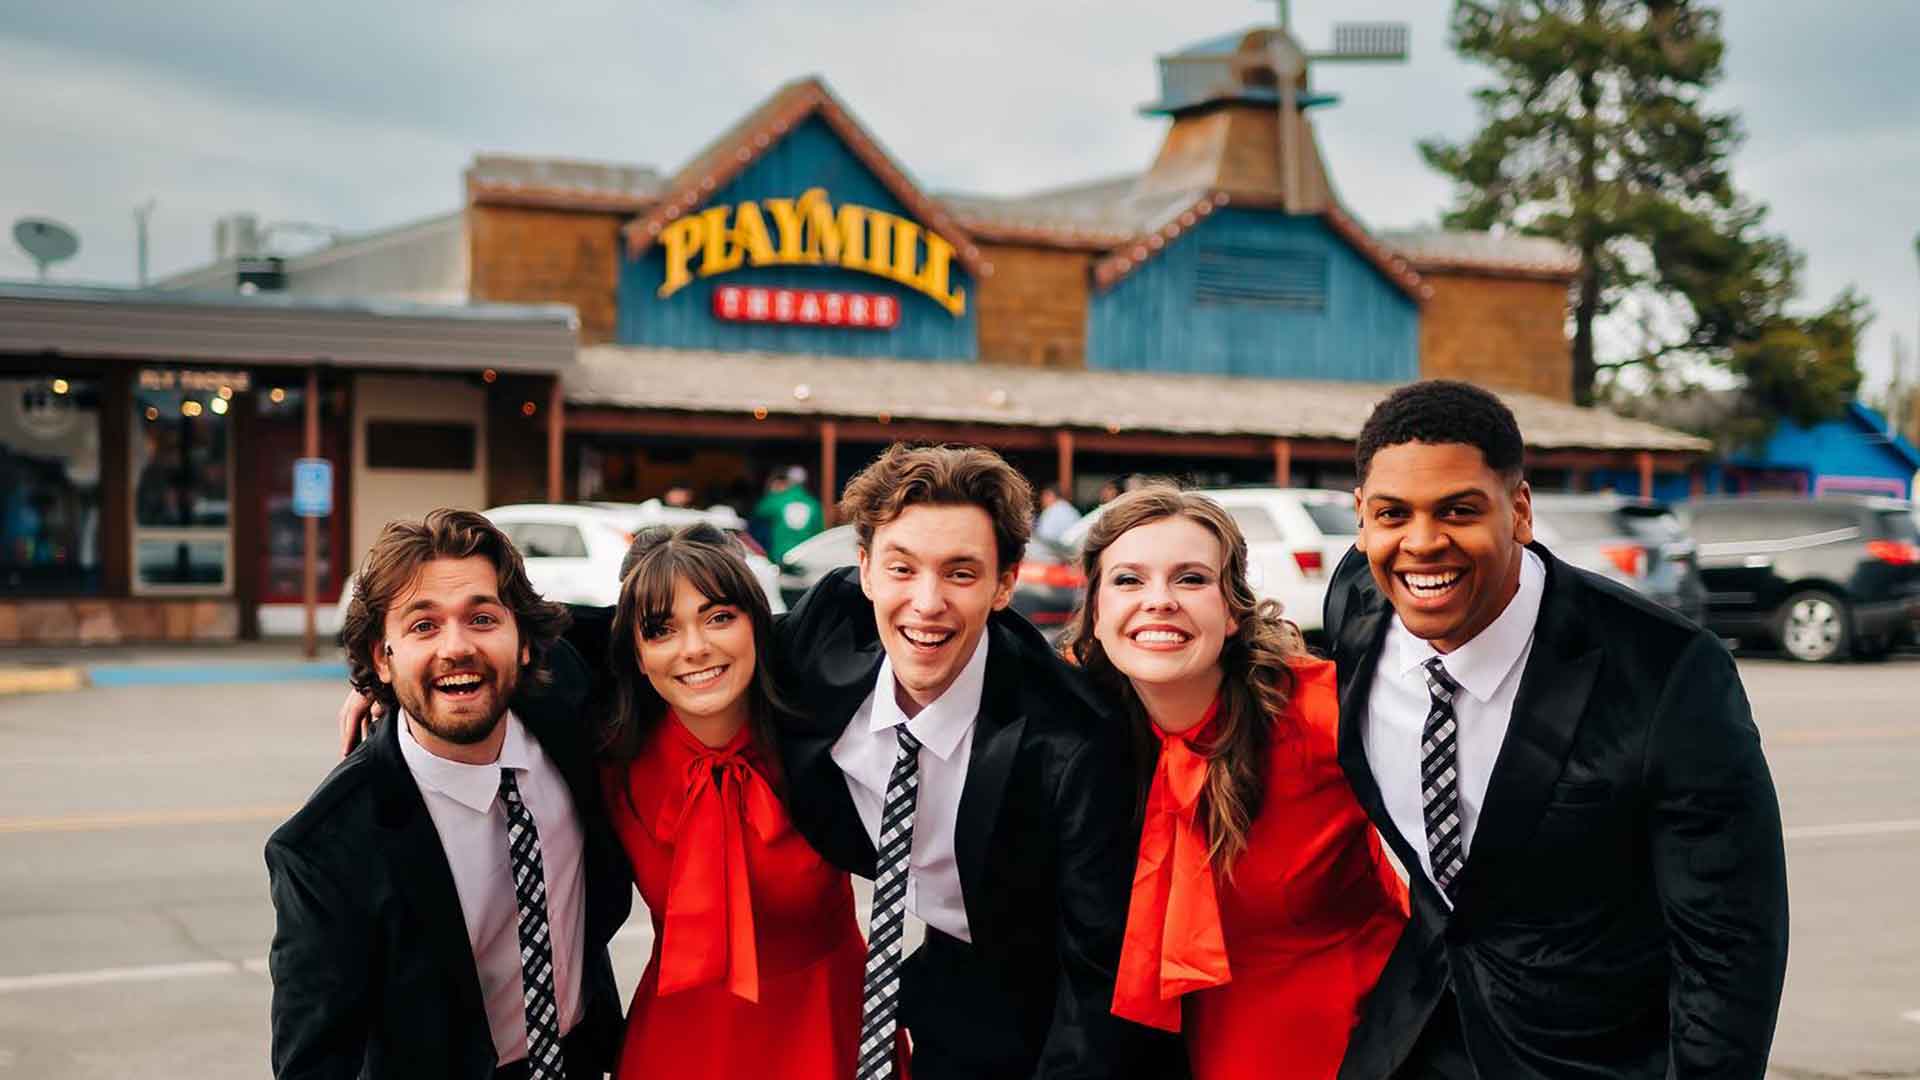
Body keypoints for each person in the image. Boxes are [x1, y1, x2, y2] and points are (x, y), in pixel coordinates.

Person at [1325, 381, 1789, 1079]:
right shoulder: (1356, 603)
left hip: (1592, 1055)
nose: (1422, 542)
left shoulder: (1667, 671)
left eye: (1458, 510)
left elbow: (1730, 947)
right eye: (1394, 514)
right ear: (1362, 519)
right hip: (1415, 1035)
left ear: (1519, 510)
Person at [771, 443, 1165, 1078]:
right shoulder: (823, 637)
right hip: (939, 981)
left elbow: (1097, 978)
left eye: (960, 573)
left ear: (1005, 583)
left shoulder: (1074, 743)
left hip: (1038, 995)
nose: (926, 602)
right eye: (902, 569)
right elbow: (685, 643)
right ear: (865, 570)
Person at [268, 508, 633, 1080]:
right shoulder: (324, 849)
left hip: (581, 1057)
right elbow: (313, 1064)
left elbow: (664, 622)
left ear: (526, 643)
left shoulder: (564, 699)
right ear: (380, 657)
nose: (456, 647)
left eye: (482, 619)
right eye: (423, 626)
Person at [1065, 485, 1407, 1079]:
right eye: (1128, 580)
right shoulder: (1071, 732)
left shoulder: (1324, 712)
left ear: (1232, 611)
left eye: (1191, 579)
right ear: (1096, 612)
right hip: (1161, 1054)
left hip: (1354, 1045)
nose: (1159, 601)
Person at [598, 523, 902, 1078]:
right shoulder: (610, 764)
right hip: (677, 1042)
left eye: (719, 617)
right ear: (637, 655)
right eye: (661, 630)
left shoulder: (828, 738)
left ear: (759, 626)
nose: (695, 648)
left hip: (827, 1027)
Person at [750, 465, 824, 564]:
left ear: (788, 481)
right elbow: (819, 532)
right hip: (806, 556)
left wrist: (771, 491)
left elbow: (759, 510)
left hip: (781, 555)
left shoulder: (778, 499)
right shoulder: (814, 504)